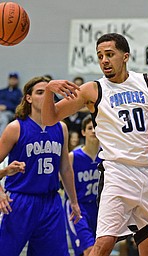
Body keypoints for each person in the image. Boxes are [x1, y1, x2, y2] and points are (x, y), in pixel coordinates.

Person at [41, 33, 148, 256]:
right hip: (117, 173)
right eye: (100, 56)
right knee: (103, 245)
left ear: (125, 56)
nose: (104, 60)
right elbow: (49, 119)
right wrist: (49, 90)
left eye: (110, 54)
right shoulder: (93, 89)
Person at [0, 76, 81, 256]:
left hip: (51, 202)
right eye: (39, 92)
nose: (45, 97)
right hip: (20, 201)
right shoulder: (16, 128)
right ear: (28, 98)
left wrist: (74, 201)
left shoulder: (61, 128)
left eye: (49, 93)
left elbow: (66, 168)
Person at [65, 115, 101, 256]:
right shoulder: (73, 156)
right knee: (89, 250)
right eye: (90, 128)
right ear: (83, 132)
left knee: (101, 249)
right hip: (79, 207)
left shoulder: (107, 156)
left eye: (96, 128)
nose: (93, 131)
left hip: (100, 208)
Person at [0, 72, 23, 136]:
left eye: (14, 79)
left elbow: (19, 106)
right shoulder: (2, 91)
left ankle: (1, 139)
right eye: (11, 79)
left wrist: (6, 107)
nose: (12, 81)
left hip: (9, 112)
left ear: (17, 80)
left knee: (3, 118)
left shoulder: (18, 93)